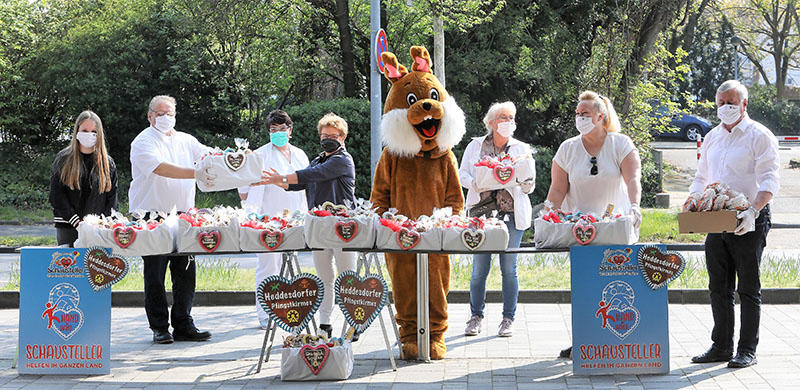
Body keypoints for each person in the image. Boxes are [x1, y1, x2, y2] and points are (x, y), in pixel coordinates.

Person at [689, 80, 779, 368]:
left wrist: (753, 211)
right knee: (718, 285)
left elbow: (769, 179)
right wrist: (692, 200)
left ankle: (747, 350)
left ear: (744, 104)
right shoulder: (713, 136)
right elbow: (702, 176)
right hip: (717, 218)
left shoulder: (759, 136)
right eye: (721, 103)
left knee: (748, 287)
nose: (725, 107)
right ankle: (721, 346)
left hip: (749, 218)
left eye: (731, 102)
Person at [547, 91, 642, 358]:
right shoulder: (567, 148)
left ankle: (616, 340)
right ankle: (584, 340)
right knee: (585, 285)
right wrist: (549, 213)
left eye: (585, 114)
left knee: (617, 285)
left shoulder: (620, 144)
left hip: (615, 229)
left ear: (601, 117)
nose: (580, 119)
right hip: (580, 231)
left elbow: (633, 179)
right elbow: (557, 189)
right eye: (578, 114)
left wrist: (635, 207)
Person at [258, 113, 357, 339]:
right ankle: (325, 325)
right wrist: (281, 183)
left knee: (346, 277)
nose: (328, 139)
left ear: (343, 137)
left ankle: (354, 323)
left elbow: (314, 174)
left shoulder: (343, 159)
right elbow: (304, 181)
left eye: (333, 135)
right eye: (324, 135)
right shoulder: (318, 159)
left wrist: (281, 177)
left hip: (343, 227)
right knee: (325, 278)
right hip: (319, 227)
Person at [129, 95, 216, 344]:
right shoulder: (143, 141)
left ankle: (183, 322)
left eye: (169, 113)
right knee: (155, 273)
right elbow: (161, 168)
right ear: (150, 116)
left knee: (185, 272)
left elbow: (209, 157)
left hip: (184, 217)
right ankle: (159, 327)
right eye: (160, 113)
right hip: (151, 217)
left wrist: (235, 161)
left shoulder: (186, 140)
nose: (165, 118)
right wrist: (196, 172)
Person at [458, 101, 535, 337]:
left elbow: (530, 186)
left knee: (509, 268)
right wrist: (476, 183)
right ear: (491, 122)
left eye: (511, 117)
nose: (508, 122)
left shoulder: (521, 148)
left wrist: (523, 182)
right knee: (479, 269)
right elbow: (462, 174)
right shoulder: (475, 146)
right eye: (503, 117)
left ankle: (508, 318)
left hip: (511, 215)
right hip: (480, 215)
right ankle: (475, 317)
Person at [239, 110, 309, 329]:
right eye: (273, 130)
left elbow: (306, 183)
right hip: (267, 218)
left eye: (282, 129)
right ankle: (265, 312)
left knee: (289, 265)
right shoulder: (259, 155)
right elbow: (243, 188)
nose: (278, 133)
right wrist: (251, 211)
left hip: (295, 217)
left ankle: (288, 308)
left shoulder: (300, 154)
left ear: (290, 129)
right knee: (268, 265)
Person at [49, 110, 118, 247]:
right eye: (84, 130)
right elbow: (56, 196)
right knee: (71, 267)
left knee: (96, 267)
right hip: (68, 226)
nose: (89, 135)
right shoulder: (64, 159)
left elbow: (112, 198)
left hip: (98, 229)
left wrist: (105, 222)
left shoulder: (107, 163)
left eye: (94, 131)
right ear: (76, 131)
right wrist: (76, 222)